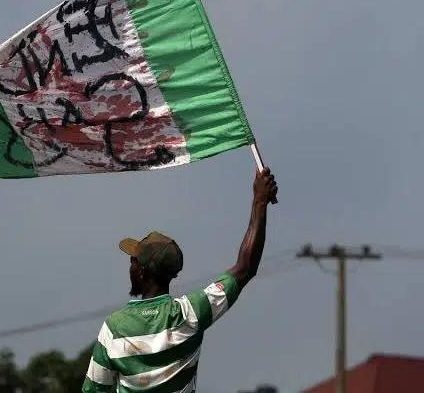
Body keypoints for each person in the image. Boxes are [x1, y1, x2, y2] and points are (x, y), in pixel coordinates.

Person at [81, 167, 278, 392]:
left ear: (142, 272)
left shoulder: (114, 329)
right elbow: (245, 268)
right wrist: (259, 202)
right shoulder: (191, 313)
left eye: (133, 262)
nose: (130, 266)